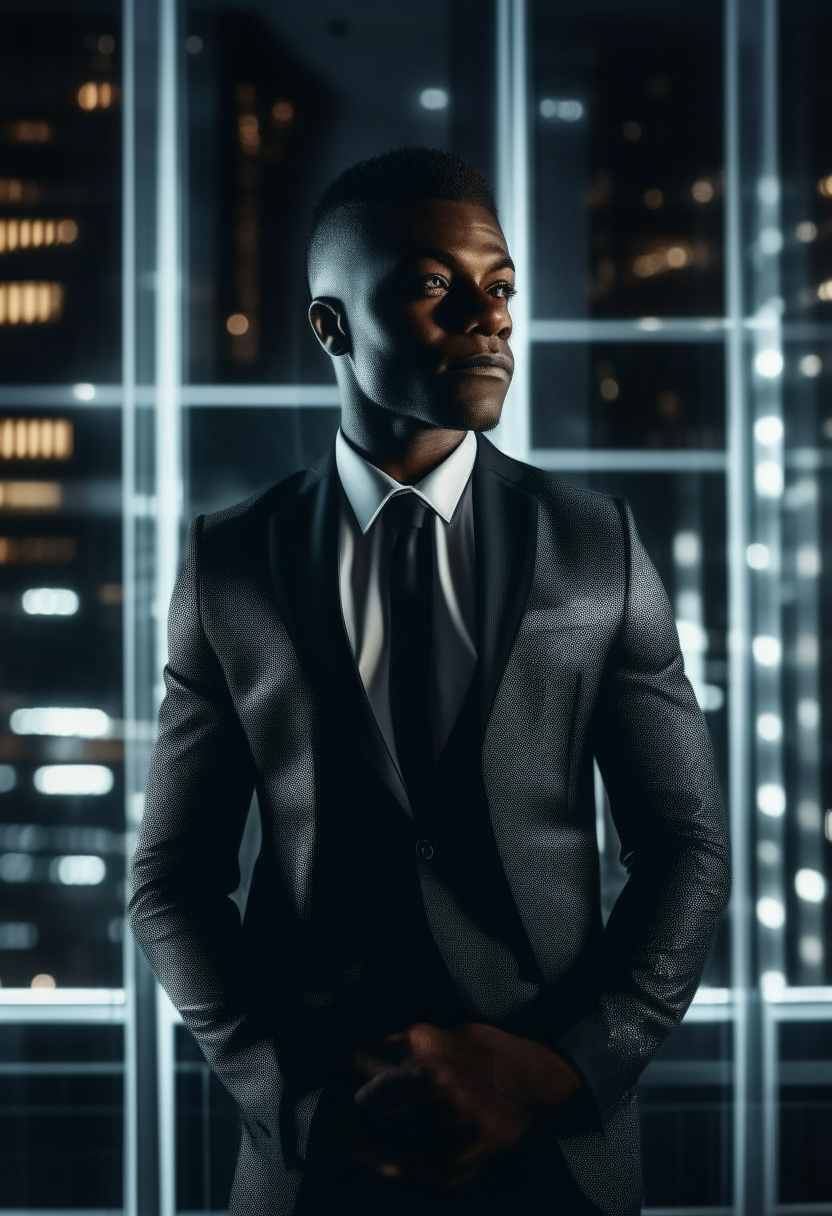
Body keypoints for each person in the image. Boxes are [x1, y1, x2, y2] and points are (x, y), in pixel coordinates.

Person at [129, 147, 731, 1216]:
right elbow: (172, 879)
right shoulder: (230, 562)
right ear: (331, 328)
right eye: (430, 284)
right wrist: (302, 1101)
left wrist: (555, 1070)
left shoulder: (597, 544)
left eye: (499, 287)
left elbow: (686, 843)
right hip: (317, 1170)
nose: (487, 317)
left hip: (558, 1159)